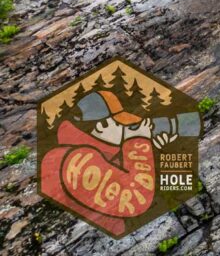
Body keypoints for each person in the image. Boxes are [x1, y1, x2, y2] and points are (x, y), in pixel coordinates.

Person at [40, 90, 175, 236]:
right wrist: (138, 142)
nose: (126, 130)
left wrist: (150, 150)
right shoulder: (76, 159)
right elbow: (135, 199)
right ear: (102, 126)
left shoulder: (89, 151)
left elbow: (118, 174)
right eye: (121, 124)